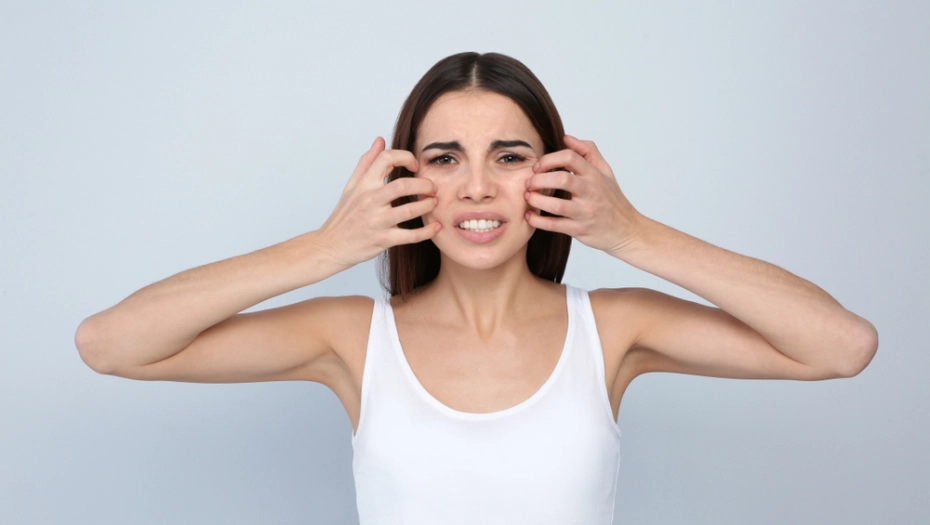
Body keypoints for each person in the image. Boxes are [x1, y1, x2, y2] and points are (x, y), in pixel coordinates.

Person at [74, 52, 879, 524]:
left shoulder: (614, 330)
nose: (478, 188)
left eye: (510, 156)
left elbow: (841, 346)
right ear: (408, 177)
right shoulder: (353, 339)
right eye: (445, 158)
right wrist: (324, 247)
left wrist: (631, 231)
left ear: (553, 173)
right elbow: (109, 343)